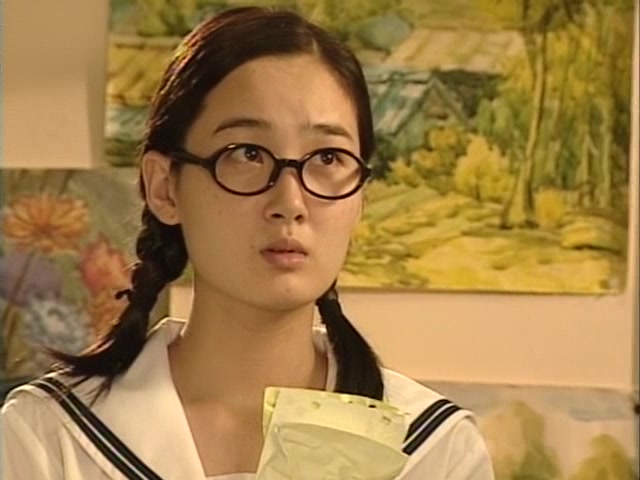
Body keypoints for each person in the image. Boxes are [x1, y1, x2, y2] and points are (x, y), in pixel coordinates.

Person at [0, 6, 494, 480]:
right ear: (165, 187)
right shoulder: (48, 436)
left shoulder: (432, 449)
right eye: (247, 153)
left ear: (360, 194)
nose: (290, 201)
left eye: (327, 157)